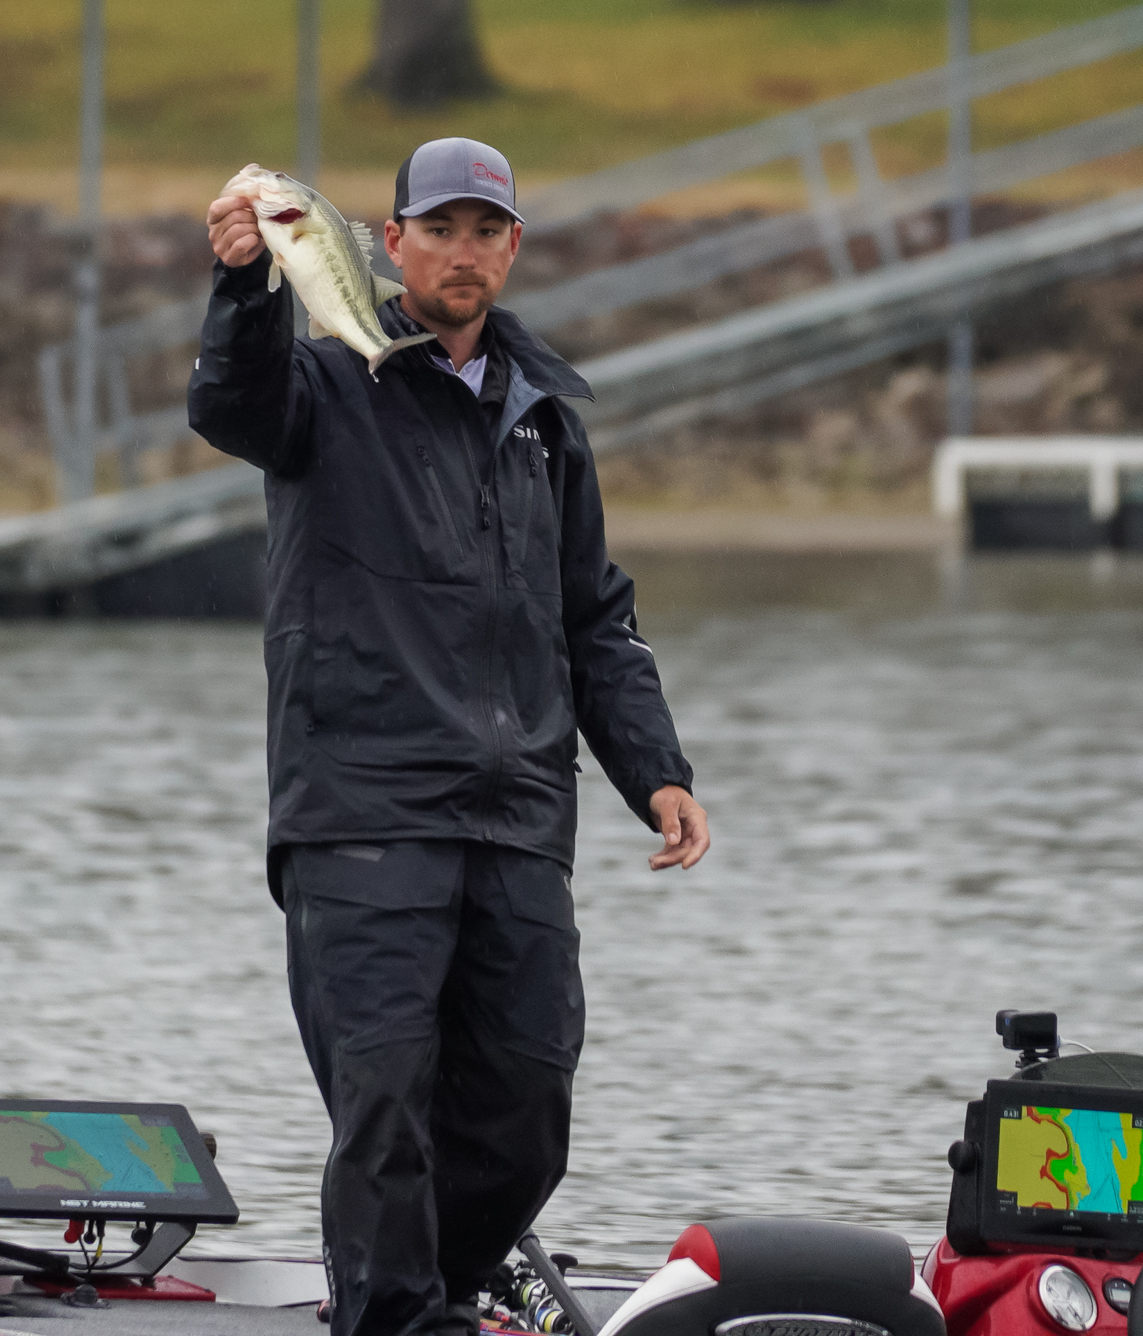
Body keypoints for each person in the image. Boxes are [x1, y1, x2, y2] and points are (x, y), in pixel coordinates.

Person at [189, 137, 709, 1336]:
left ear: (512, 247)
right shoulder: (318, 386)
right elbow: (226, 402)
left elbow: (594, 618)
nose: (463, 252)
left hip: (519, 816)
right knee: (384, 1101)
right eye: (441, 230)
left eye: (487, 231)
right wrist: (238, 282)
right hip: (361, 813)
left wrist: (656, 770)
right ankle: (391, 1314)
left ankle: (433, 1289)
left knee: (526, 1103)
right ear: (391, 242)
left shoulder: (546, 422)